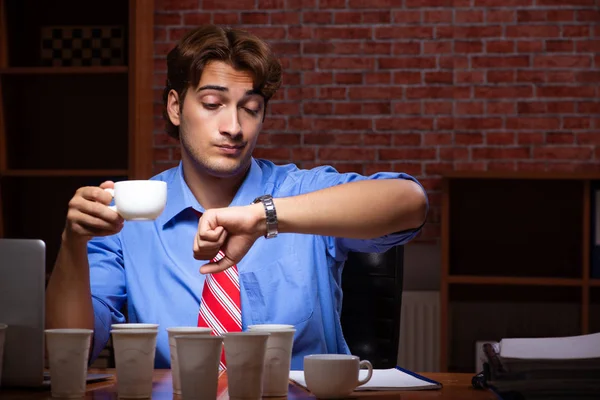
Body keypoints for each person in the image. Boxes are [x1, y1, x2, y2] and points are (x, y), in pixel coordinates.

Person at [45, 24, 428, 370]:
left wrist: (265, 216)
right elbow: (66, 354)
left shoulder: (300, 193)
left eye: (251, 109)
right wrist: (72, 242)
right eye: (213, 105)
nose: (234, 127)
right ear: (176, 107)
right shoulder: (128, 219)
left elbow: (411, 203)